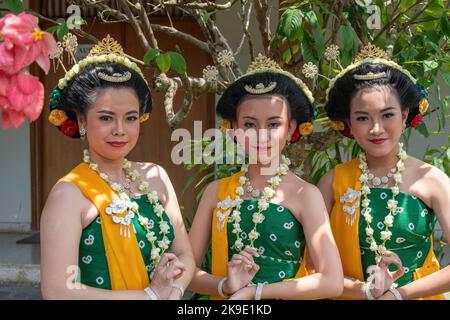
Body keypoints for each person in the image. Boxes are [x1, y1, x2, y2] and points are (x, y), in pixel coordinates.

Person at [40, 36, 195, 299]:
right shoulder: (69, 194)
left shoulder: (156, 177)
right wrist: (149, 296)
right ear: (81, 120)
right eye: (106, 118)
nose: (120, 130)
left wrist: (175, 290)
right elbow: (58, 291)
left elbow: (184, 254)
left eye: (130, 118)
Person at [188, 55, 343, 300]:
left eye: (273, 125)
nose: (261, 135)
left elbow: (332, 282)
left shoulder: (305, 194)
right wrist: (225, 286)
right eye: (250, 124)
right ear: (235, 129)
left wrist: (255, 293)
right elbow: (188, 270)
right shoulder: (215, 191)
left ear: (291, 128)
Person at [318, 43, 450, 300]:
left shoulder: (433, 180)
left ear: (404, 114)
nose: (376, 128)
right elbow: (314, 266)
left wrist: (398, 294)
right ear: (348, 123)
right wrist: (367, 292)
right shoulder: (333, 182)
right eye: (363, 118)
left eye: (387, 115)